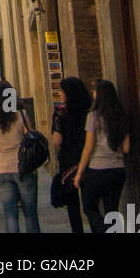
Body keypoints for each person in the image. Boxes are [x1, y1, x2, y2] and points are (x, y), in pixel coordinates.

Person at [0, 79, 40, 233]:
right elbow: (31, 139)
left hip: (1, 170)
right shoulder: (21, 115)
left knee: (10, 214)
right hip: (24, 168)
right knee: (31, 214)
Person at [73, 79, 130, 234]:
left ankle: (104, 229)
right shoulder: (121, 115)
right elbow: (126, 148)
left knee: (89, 206)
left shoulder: (93, 117)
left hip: (98, 169)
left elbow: (88, 147)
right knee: (112, 210)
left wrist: (79, 173)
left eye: (95, 91)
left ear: (99, 96)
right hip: (118, 170)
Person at [51, 76, 91, 234]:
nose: (60, 93)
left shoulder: (61, 113)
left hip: (68, 161)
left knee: (72, 203)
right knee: (90, 201)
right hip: (87, 159)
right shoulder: (89, 111)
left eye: (61, 90)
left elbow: (57, 140)